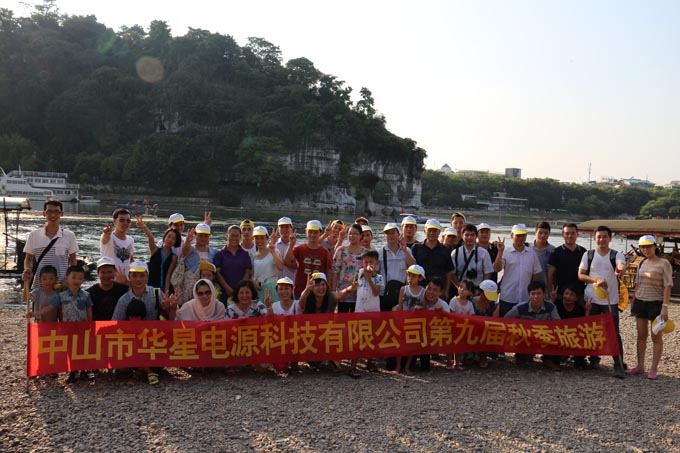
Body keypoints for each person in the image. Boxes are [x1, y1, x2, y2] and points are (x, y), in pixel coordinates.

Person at [27, 265, 93, 382]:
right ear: (67, 279)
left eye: (79, 278)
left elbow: (89, 310)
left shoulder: (86, 295)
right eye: (74, 277)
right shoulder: (61, 295)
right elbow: (51, 307)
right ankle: (72, 372)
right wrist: (35, 313)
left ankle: (83, 371)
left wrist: (90, 324)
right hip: (67, 328)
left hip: (82, 327)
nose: (76, 281)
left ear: (83, 280)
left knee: (82, 348)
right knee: (70, 349)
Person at [578, 225, 626, 377]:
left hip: (610, 301)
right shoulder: (588, 254)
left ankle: (618, 364)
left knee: (613, 332)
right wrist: (595, 280)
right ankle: (593, 359)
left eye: (605, 237)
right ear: (594, 238)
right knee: (591, 331)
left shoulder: (616, 255)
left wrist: (620, 269)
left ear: (610, 239)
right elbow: (581, 275)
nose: (602, 240)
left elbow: (621, 265)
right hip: (591, 299)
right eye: (599, 237)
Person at [627, 235, 673, 380]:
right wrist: (633, 299)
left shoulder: (664, 263)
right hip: (641, 301)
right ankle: (640, 366)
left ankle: (653, 368)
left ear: (654, 246)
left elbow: (668, 285)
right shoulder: (642, 263)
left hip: (656, 303)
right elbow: (638, 283)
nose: (646, 249)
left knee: (656, 337)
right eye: (643, 247)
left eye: (648, 246)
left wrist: (665, 306)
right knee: (641, 335)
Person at [22, 199, 78, 290]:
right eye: (49, 212)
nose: (53, 215)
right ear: (44, 214)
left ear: (61, 214)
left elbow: (73, 261)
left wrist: (68, 279)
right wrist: (27, 269)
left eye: (56, 212)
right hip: (39, 287)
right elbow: (28, 259)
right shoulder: (34, 235)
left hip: (61, 287)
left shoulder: (69, 235)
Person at [504, 281, 561, 370]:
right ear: (529, 295)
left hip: (544, 336)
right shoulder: (520, 308)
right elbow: (505, 320)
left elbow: (558, 325)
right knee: (523, 359)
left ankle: (548, 359)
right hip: (526, 337)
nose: (536, 297)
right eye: (533, 293)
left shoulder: (550, 307)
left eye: (539, 293)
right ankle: (521, 356)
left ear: (544, 295)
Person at [349, 250, 384, 377]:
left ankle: (370, 362)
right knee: (358, 338)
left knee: (372, 337)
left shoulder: (379, 278)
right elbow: (355, 287)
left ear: (377, 262)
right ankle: (353, 366)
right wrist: (353, 285)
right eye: (365, 262)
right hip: (360, 311)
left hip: (373, 312)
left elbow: (376, 292)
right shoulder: (360, 273)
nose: (368, 264)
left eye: (371, 262)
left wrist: (369, 277)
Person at [495, 224, 542, 317]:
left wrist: (533, 293)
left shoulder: (532, 253)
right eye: (518, 235)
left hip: (526, 298)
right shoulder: (506, 252)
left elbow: (535, 274)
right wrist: (500, 252)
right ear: (512, 236)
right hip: (508, 297)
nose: (520, 238)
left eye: (523, 235)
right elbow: (497, 268)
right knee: (506, 323)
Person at [112, 262, 176, 321]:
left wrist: (171, 308)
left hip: (153, 329)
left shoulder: (157, 292)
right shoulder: (123, 300)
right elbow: (115, 322)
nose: (138, 279)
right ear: (129, 277)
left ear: (147, 277)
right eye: (134, 276)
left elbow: (171, 319)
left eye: (142, 275)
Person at [285, 220, 333, 297]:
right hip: (300, 290)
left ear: (320, 233)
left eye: (315, 232)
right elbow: (287, 261)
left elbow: (329, 271)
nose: (312, 235)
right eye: (310, 232)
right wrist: (291, 244)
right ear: (306, 233)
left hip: (319, 292)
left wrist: (329, 289)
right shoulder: (299, 248)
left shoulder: (325, 252)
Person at [411, 276, 450, 372]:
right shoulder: (418, 298)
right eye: (429, 288)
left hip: (431, 339)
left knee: (425, 368)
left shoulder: (443, 305)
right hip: (414, 338)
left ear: (441, 292)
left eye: (435, 290)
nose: (431, 292)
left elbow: (448, 326)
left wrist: (439, 314)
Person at [393, 265, 426, 374]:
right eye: (409, 275)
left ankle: (407, 366)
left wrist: (420, 308)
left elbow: (424, 306)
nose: (410, 278)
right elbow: (400, 306)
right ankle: (398, 367)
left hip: (414, 323)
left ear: (420, 278)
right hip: (403, 321)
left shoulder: (423, 291)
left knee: (411, 345)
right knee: (400, 344)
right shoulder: (403, 289)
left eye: (413, 276)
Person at [378, 222, 416, 313]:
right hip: (385, 292)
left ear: (399, 235)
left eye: (393, 233)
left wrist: (405, 251)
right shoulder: (380, 252)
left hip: (402, 292)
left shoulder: (407, 250)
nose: (390, 236)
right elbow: (376, 272)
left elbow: (413, 266)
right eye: (388, 233)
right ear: (384, 236)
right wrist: (377, 289)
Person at [412, 219, 454, 298]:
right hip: (420, 288)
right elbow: (412, 268)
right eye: (429, 230)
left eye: (435, 230)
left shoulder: (445, 250)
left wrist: (446, 290)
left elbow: (448, 272)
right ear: (424, 231)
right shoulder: (416, 248)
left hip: (438, 290)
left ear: (439, 232)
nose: (432, 233)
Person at [137, 217, 179, 294]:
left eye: (173, 238)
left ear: (175, 242)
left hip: (163, 287)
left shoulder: (174, 257)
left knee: (160, 300)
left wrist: (166, 292)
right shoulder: (155, 250)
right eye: (169, 237)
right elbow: (150, 237)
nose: (170, 240)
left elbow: (168, 275)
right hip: (151, 286)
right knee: (153, 299)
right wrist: (143, 226)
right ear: (164, 237)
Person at [547, 223, 587, 303]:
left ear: (577, 234)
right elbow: (550, 275)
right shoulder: (556, 252)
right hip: (561, 294)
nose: (570, 236)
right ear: (563, 234)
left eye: (572, 233)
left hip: (579, 294)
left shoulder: (583, 252)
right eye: (567, 233)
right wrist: (550, 291)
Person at [330, 223, 366, 313]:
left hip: (359, 294)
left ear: (361, 235)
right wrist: (334, 291)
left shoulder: (365, 253)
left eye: (355, 233)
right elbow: (335, 271)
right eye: (350, 233)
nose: (352, 236)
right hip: (343, 293)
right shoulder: (341, 250)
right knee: (342, 318)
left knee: (356, 319)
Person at [180, 223, 219, 304]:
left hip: (206, 288)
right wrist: (187, 240)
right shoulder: (190, 248)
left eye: (206, 236)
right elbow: (184, 251)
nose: (203, 238)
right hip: (189, 287)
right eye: (200, 235)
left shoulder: (214, 252)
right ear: (195, 235)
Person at [124, 298, 160, 385]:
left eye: (137, 317)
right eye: (132, 317)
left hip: (147, 357)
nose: (134, 320)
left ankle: (147, 371)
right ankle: (146, 371)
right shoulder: (124, 328)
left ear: (142, 316)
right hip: (131, 357)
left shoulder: (148, 328)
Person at [553, 285, 589, 369]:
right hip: (558, 335)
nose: (568, 297)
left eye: (571, 295)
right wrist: (552, 300)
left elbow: (585, 325)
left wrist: (587, 311)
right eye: (566, 293)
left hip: (573, 336)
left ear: (576, 298)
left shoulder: (579, 309)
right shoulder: (556, 305)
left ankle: (579, 359)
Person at [214, 225, 252, 299]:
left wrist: (239, 288)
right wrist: (227, 288)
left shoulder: (245, 254)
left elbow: (247, 272)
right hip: (224, 292)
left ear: (240, 237)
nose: (234, 238)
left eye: (237, 236)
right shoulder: (220, 254)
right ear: (227, 236)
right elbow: (217, 273)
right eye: (232, 235)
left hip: (241, 294)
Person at [100, 208, 135, 285]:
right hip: (109, 282)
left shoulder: (131, 240)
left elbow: (131, 260)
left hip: (125, 282)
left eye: (128, 221)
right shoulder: (109, 237)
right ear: (114, 221)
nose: (125, 223)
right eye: (121, 220)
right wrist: (106, 233)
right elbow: (104, 239)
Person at [87, 257, 129, 321]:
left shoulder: (123, 289)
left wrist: (126, 282)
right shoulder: (90, 292)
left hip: (119, 325)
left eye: (110, 272)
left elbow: (139, 291)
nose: (106, 275)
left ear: (115, 272)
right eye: (103, 272)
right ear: (98, 273)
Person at [447, 279, 475, 371]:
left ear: (470, 292)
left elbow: (472, 316)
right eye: (460, 287)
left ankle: (457, 363)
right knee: (451, 345)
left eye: (465, 289)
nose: (462, 290)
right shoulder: (454, 301)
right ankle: (449, 362)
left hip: (463, 328)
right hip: (453, 326)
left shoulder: (469, 304)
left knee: (458, 346)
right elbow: (451, 313)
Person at [252, 226, 284, 302]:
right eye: (256, 238)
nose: (259, 241)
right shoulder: (253, 256)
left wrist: (273, 252)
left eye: (262, 238)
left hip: (272, 289)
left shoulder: (274, 251)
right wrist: (253, 282)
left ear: (267, 239)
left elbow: (281, 267)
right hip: (258, 289)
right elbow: (252, 274)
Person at [472, 280, 500, 368]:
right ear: (481, 292)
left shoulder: (494, 305)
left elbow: (495, 321)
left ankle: (483, 356)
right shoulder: (470, 302)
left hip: (486, 330)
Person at [529, 221, 555, 286]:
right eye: (540, 233)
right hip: (529, 287)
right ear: (535, 232)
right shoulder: (528, 248)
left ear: (549, 234)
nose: (543, 235)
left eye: (546, 233)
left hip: (546, 287)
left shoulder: (553, 250)